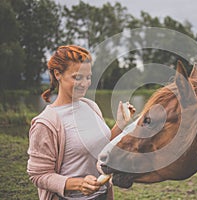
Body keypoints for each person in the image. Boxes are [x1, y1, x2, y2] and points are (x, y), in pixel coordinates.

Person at [27, 45, 135, 200]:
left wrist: (120, 124)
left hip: (103, 195)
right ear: (58, 74)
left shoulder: (91, 106)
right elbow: (38, 175)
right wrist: (77, 184)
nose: (85, 83)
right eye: (77, 77)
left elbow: (101, 147)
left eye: (88, 77)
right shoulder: (45, 123)